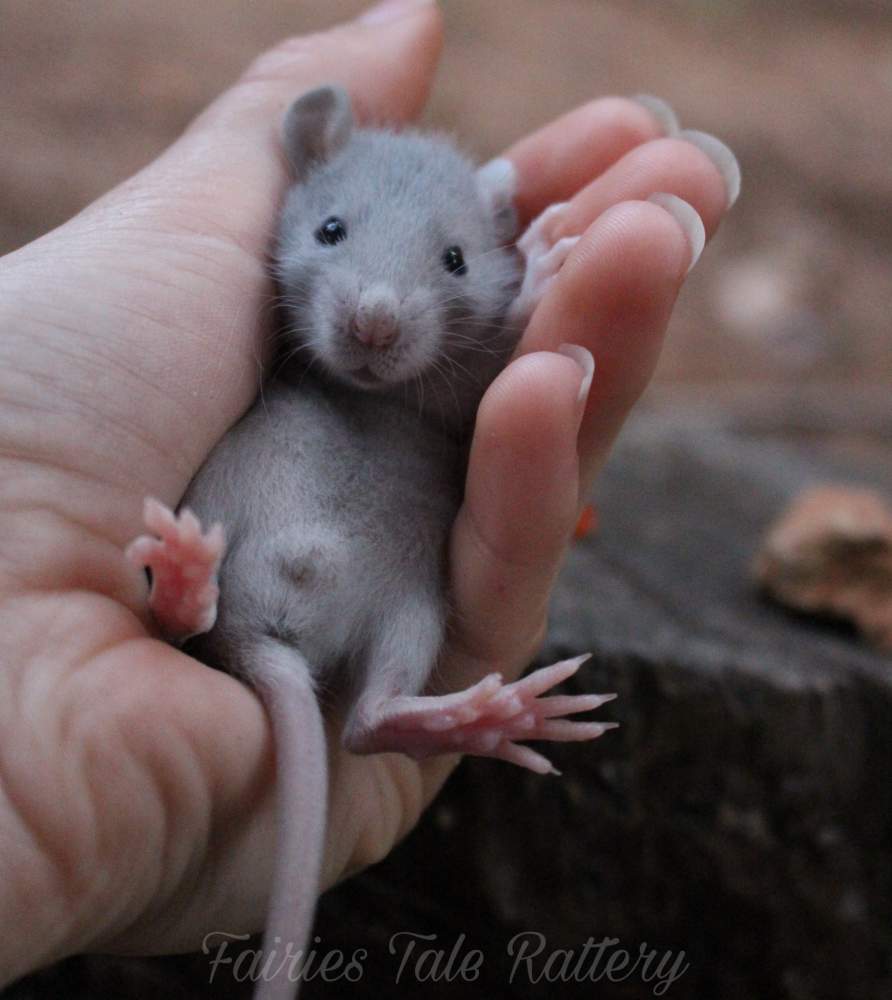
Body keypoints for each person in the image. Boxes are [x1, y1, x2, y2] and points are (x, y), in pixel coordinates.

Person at [0, 0, 736, 986]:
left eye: (446, 263)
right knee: (275, 442)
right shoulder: (258, 332)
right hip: (264, 534)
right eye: (339, 231)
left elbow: (499, 379)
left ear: (500, 257)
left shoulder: (469, 359)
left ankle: (383, 701)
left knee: (425, 541)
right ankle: (190, 607)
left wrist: (527, 305)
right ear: (307, 177)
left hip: (368, 556)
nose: (379, 310)